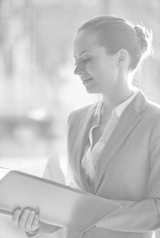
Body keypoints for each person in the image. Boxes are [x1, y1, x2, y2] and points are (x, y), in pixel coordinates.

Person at [12, 15, 160, 238]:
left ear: (120, 58)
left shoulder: (154, 122)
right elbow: (75, 197)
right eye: (75, 61)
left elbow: (156, 211)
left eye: (86, 59)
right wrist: (41, 224)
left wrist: (90, 212)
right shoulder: (77, 119)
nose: (76, 70)